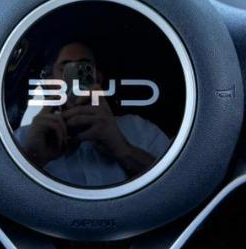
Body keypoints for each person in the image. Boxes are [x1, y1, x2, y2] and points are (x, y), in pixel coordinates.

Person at [16, 41, 170, 187]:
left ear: (98, 78)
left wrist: (124, 150)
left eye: (84, 67)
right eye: (65, 68)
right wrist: (33, 158)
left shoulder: (139, 128)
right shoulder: (26, 138)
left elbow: (176, 185)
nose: (74, 77)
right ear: (51, 82)